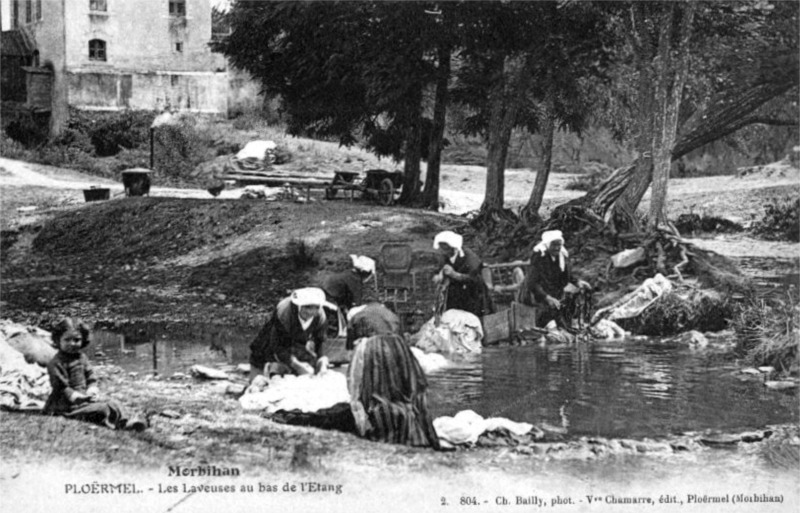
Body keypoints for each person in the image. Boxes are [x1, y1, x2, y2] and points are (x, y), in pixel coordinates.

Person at [44, 318, 146, 431]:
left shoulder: (82, 358)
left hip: (84, 400)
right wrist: (77, 397)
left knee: (113, 403)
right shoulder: (56, 363)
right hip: (66, 406)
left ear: (83, 340)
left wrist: (91, 389)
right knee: (102, 409)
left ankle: (127, 421)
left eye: (77, 340)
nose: (72, 344)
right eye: (67, 340)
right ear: (58, 340)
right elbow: (61, 388)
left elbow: (90, 377)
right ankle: (116, 425)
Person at [347, 332, 440, 449]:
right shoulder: (398, 346)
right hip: (412, 436)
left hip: (387, 429)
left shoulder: (368, 348)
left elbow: (356, 387)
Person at [248, 287, 335, 383]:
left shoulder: (320, 316)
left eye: (316, 308)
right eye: (307, 307)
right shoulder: (285, 313)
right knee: (258, 372)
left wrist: (322, 360)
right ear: (299, 305)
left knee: (308, 364)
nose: (311, 312)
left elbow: (320, 340)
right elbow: (277, 346)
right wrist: (295, 364)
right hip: (272, 342)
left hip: (297, 342)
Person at [520, 230, 591, 327]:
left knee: (566, 307)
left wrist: (577, 282)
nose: (557, 248)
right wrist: (547, 297)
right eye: (554, 245)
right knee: (545, 317)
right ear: (548, 244)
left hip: (553, 293)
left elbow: (566, 275)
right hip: (537, 295)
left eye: (559, 245)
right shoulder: (539, 257)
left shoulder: (561, 256)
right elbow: (532, 283)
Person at [431, 231, 493, 318]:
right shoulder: (445, 257)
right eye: (442, 249)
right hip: (456, 296)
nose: (444, 252)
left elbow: (474, 278)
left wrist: (455, 275)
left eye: (446, 248)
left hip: (472, 294)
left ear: (452, 246)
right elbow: (437, 272)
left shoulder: (468, 255)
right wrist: (437, 277)